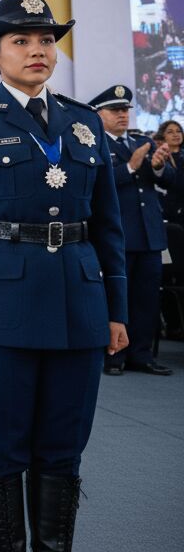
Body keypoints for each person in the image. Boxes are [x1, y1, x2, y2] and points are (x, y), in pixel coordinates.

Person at [0, 0, 128, 552]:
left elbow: (109, 225)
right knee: (1, 443)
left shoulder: (84, 121)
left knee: (64, 445)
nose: (37, 50)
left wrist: (115, 310)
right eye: (20, 40)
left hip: (79, 302)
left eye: (45, 40)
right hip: (1, 308)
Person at [88, 85, 174, 376]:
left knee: (147, 299)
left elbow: (169, 181)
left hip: (149, 234)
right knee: (117, 297)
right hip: (118, 235)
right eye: (115, 110)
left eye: (125, 110)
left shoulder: (139, 140)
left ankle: (141, 354)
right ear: (99, 115)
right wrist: (131, 167)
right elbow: (95, 183)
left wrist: (160, 165)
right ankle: (114, 356)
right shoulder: (95, 144)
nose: (123, 115)